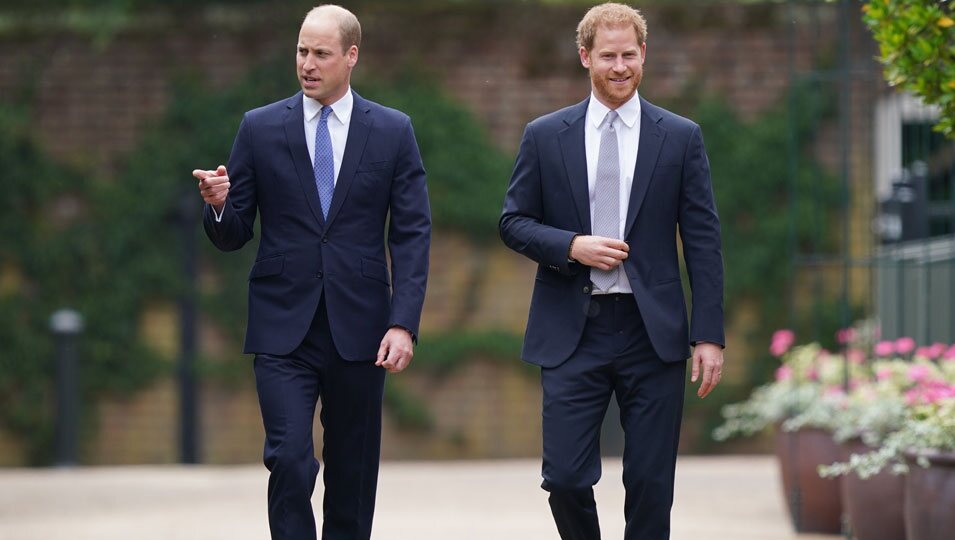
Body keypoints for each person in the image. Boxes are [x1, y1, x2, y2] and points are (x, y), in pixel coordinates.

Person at [192, 5, 430, 539]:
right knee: (290, 460)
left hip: (363, 330)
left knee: (352, 477)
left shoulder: (392, 131)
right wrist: (217, 204)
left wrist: (403, 322)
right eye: (302, 51)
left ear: (351, 56)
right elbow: (233, 233)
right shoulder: (260, 127)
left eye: (321, 53)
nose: (307, 64)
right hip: (282, 329)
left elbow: (412, 234)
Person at [499, 3, 724, 539]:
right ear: (585, 57)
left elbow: (703, 242)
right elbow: (512, 222)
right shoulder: (545, 135)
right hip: (572, 331)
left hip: (654, 334)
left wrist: (709, 336)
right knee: (566, 479)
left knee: (650, 484)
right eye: (607, 56)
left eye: (629, 55)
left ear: (643, 54)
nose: (619, 66)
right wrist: (571, 245)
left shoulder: (681, 137)